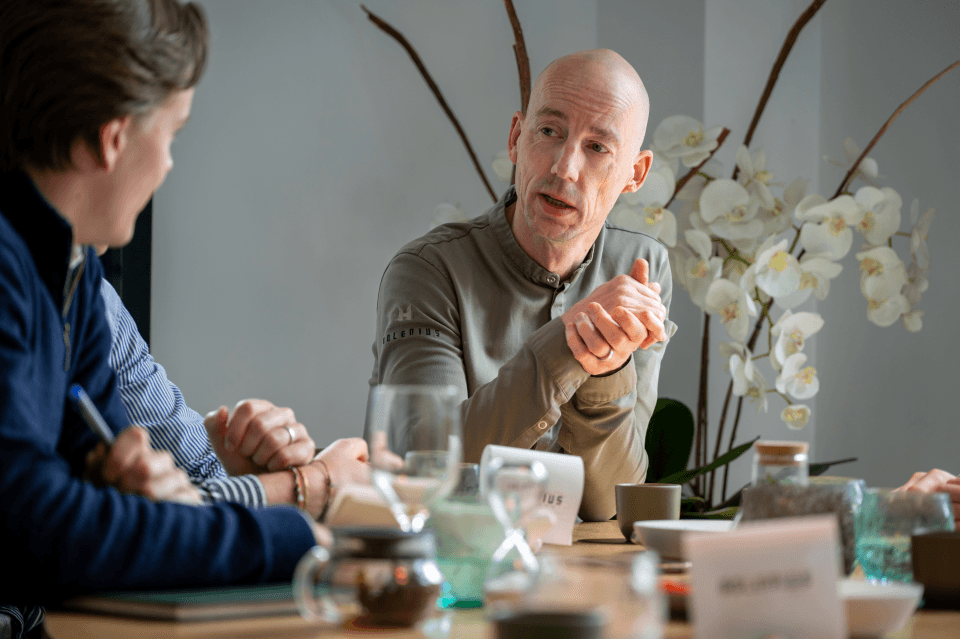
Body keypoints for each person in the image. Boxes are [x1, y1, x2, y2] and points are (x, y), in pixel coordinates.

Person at [0, 0, 324, 610]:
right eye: (171, 135)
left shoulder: (72, 270)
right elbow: (40, 525)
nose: (170, 164)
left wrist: (138, 492)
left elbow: (127, 485)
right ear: (113, 137)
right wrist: (304, 540)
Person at [369, 49, 676, 522]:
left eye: (597, 148)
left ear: (635, 174)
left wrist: (606, 372)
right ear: (516, 138)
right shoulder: (427, 270)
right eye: (549, 132)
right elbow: (423, 471)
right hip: (457, 561)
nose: (564, 167)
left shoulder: (641, 268)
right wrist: (569, 343)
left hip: (584, 567)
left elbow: (612, 503)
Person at [101, 276, 371, 515]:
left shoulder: (101, 301)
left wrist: (255, 480)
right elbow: (85, 513)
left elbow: (196, 473)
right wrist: (298, 488)